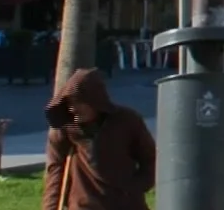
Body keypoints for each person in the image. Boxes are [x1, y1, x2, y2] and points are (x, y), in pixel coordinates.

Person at [43, 67, 157, 210]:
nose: (73, 109)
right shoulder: (65, 128)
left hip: (125, 204)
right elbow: (55, 170)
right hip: (84, 205)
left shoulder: (126, 121)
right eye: (70, 103)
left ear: (95, 101)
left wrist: (135, 187)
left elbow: (150, 159)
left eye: (79, 102)